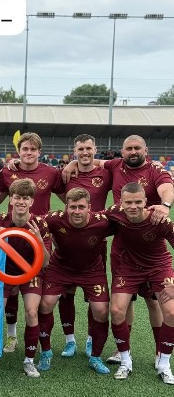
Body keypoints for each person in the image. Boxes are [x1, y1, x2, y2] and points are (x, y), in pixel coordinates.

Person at [64, 134, 174, 365]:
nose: (133, 152)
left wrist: (164, 205)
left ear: (145, 150)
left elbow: (167, 188)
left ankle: (158, 352)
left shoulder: (155, 168)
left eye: (137, 148)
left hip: (149, 246)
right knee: (125, 301)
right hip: (122, 248)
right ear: (122, 152)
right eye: (128, 149)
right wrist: (73, 162)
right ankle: (123, 350)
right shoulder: (116, 165)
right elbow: (92, 160)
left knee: (153, 300)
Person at [0, 132, 65, 353]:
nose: (28, 153)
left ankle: (41, 348)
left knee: (36, 302)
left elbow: (68, 197)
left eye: (33, 149)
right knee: (10, 289)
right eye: (24, 149)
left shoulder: (52, 172)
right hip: (12, 234)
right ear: (18, 151)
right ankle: (12, 336)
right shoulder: (7, 172)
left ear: (39, 152)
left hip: (38, 235)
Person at [38, 188, 113, 375]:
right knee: (45, 304)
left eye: (81, 207)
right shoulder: (54, 219)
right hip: (60, 267)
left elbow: (128, 225)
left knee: (102, 310)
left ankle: (95, 356)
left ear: (89, 207)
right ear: (66, 207)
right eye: (72, 207)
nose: (77, 211)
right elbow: (31, 223)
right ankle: (46, 352)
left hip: (92, 270)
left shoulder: (103, 222)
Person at [106, 182, 174, 384]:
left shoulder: (159, 220)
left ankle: (164, 364)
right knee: (116, 310)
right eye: (128, 202)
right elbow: (92, 221)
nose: (133, 206)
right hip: (129, 267)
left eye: (138, 202)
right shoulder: (114, 213)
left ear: (145, 202)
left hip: (159, 267)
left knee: (171, 312)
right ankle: (125, 361)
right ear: (121, 202)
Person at [0, 179, 51, 378]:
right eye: (17, 197)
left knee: (32, 312)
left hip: (31, 272)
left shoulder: (40, 223)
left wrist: (38, 240)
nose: (21, 202)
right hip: (3, 272)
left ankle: (29, 360)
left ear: (32, 201)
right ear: (11, 199)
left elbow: (45, 263)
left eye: (26, 198)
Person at [60, 134, 112, 358]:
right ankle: (69, 341)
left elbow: (120, 166)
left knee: (94, 296)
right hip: (68, 241)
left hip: (96, 242)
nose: (84, 153)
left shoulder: (106, 174)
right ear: (75, 150)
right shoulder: (66, 174)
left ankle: (91, 340)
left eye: (88, 148)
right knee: (66, 293)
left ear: (95, 149)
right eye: (80, 149)